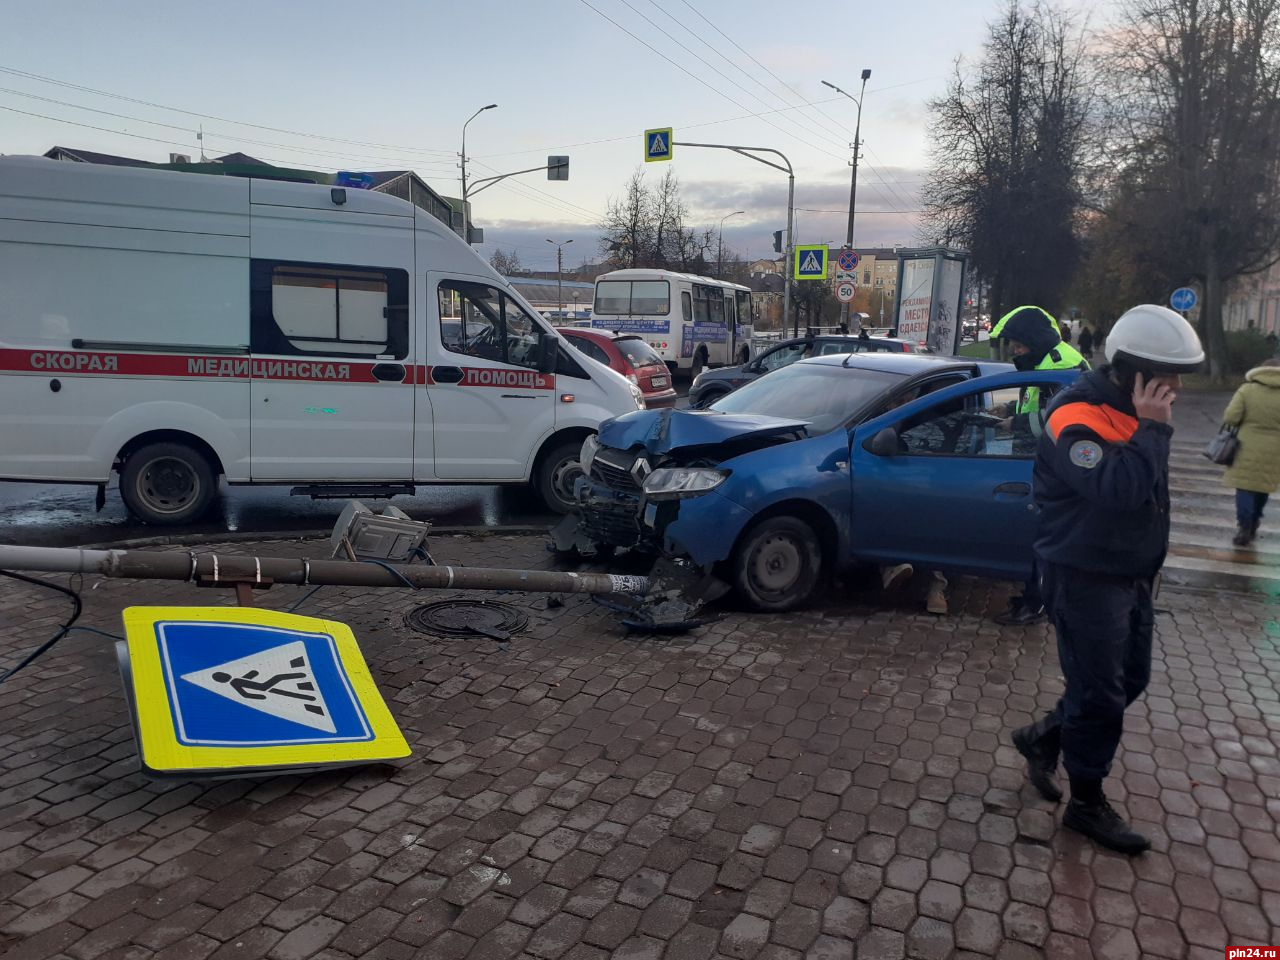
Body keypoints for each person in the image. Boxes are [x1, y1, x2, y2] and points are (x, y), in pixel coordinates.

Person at [1012, 303, 1204, 855]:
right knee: (1100, 694)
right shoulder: (1079, 417)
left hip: (1128, 573)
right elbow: (1119, 491)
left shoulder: (1134, 415)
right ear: (1134, 373)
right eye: (1168, 378)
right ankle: (1086, 804)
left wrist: (1149, 429)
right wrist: (1153, 430)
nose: (1176, 390)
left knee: (1130, 680)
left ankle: (1041, 737)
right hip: (1084, 574)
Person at [990, 306, 1090, 625]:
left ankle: (1037, 603)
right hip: (1046, 461)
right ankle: (1037, 597)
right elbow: (1035, 402)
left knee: (1047, 540)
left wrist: (1014, 425)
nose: (1016, 352)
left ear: (1034, 340)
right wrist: (1007, 409)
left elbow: (1058, 419)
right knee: (1042, 537)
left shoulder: (1062, 364)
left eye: (1019, 346)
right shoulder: (1044, 360)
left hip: (1062, 467)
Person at [1221, 358, 1280, 546]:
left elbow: (1231, 417)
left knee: (1245, 486)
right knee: (1262, 486)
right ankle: (1255, 520)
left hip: (1246, 444)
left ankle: (1244, 525)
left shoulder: (1247, 390)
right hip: (1275, 448)